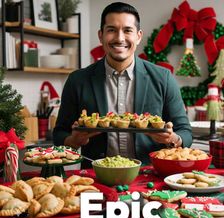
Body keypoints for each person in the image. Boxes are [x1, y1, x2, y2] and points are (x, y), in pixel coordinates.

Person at [53, 2, 192, 166]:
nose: (119, 38)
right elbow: (58, 134)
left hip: (149, 177)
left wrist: (172, 138)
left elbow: (186, 133)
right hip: (95, 178)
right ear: (101, 35)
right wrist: (73, 140)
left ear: (138, 36)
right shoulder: (78, 80)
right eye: (111, 30)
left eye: (127, 30)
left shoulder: (164, 78)